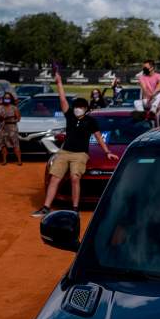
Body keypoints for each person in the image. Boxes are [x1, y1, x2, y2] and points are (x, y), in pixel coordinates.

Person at [32, 73, 119, 217]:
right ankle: (46, 207)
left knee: (74, 178)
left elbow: (98, 137)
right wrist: (59, 82)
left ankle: (75, 209)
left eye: (81, 107)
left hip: (80, 154)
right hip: (64, 152)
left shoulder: (91, 121)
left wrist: (107, 151)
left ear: (86, 109)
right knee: (54, 178)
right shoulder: (70, 116)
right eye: (76, 106)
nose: (78, 108)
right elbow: (62, 98)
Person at [0, 92, 22, 165]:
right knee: (3, 145)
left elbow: (18, 118)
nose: (6, 99)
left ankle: (19, 161)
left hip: (12, 128)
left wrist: (10, 119)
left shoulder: (14, 108)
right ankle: (4, 160)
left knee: (15, 144)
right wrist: (1, 118)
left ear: (11, 99)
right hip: (2, 128)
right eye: (5, 98)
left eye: (8, 98)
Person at [139, 60, 160, 125]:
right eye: (143, 67)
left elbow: (159, 87)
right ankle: (144, 115)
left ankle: (153, 109)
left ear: (152, 68)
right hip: (147, 101)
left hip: (156, 101)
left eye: (145, 67)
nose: (144, 69)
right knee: (137, 102)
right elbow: (144, 89)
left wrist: (153, 95)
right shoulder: (142, 77)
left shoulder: (159, 77)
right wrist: (149, 95)